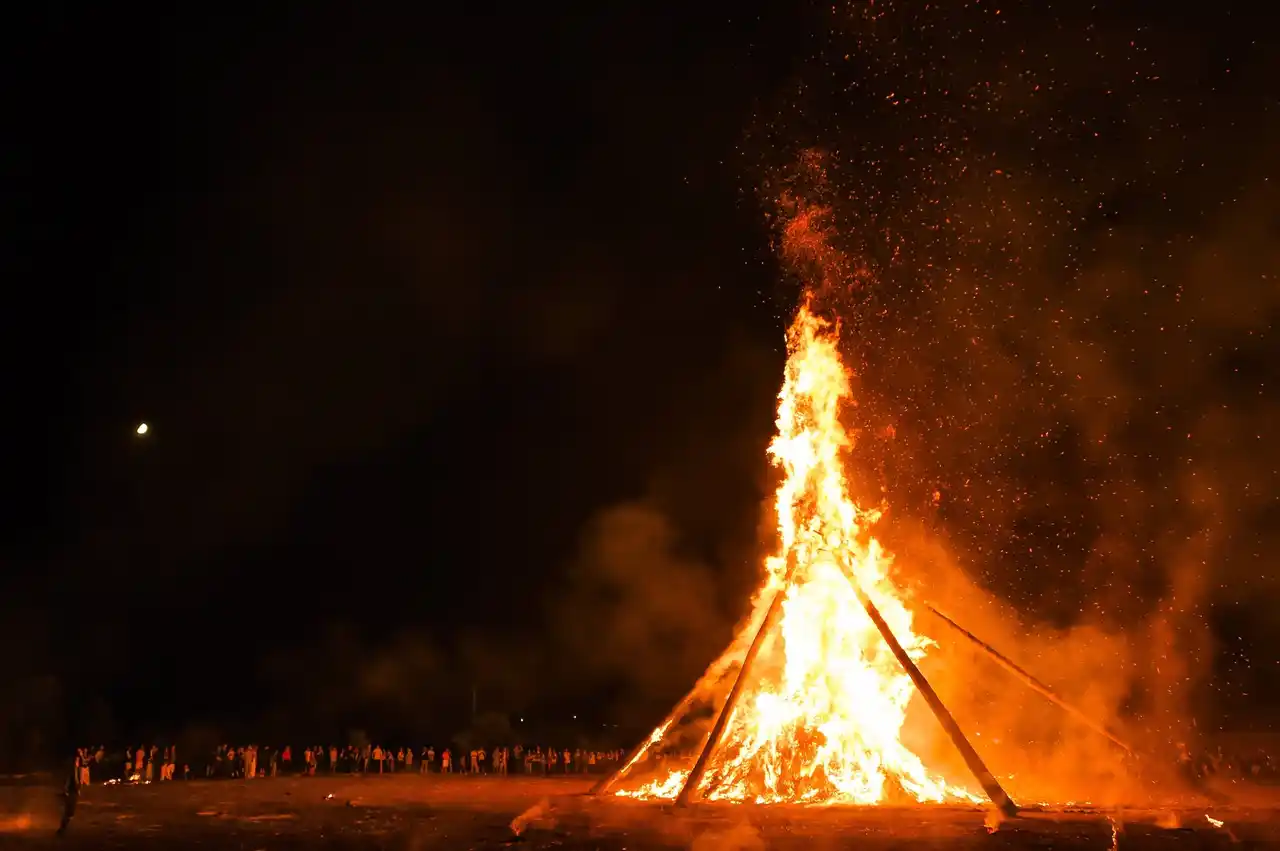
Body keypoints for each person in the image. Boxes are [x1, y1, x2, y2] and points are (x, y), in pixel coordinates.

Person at [56, 755, 80, 836]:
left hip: (73, 793)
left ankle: (63, 828)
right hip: (71, 793)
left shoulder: (76, 771)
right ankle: (62, 829)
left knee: (70, 813)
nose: (77, 762)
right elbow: (68, 781)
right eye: (76, 760)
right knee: (68, 812)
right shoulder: (72, 771)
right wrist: (66, 791)